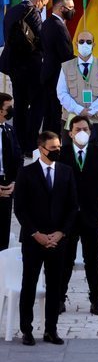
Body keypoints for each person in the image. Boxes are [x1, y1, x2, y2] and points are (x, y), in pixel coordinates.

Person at [13, 131, 78, 345]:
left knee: (55, 286)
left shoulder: (66, 172)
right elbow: (20, 208)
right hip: (34, 240)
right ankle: (27, 329)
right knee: (29, 284)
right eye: (53, 148)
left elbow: (72, 207)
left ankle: (51, 329)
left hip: (58, 240)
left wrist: (60, 233)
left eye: (59, 147)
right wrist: (36, 234)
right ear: (41, 149)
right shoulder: (26, 173)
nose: (57, 151)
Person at [58, 116, 98, 316]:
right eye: (77, 129)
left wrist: (94, 198)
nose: (81, 132)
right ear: (70, 133)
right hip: (67, 216)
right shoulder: (61, 155)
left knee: (92, 258)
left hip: (92, 214)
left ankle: (96, 299)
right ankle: (59, 298)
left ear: (90, 133)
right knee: (66, 258)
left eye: (85, 129)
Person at [0, 0, 48, 153]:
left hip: (13, 66)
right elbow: (42, 38)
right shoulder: (33, 12)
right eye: (44, 4)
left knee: (19, 104)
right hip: (31, 67)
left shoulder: (12, 11)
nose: (43, 8)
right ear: (39, 0)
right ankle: (30, 143)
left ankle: (18, 142)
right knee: (38, 103)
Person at [55, 30, 98, 149]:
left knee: (95, 155)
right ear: (76, 44)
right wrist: (79, 110)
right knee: (69, 155)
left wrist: (90, 111)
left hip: (96, 120)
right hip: (72, 118)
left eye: (88, 42)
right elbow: (61, 93)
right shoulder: (66, 67)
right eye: (81, 41)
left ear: (93, 44)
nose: (85, 44)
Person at [36, 0, 76, 134]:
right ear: (61, 8)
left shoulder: (47, 23)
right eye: (70, 7)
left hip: (48, 74)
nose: (73, 10)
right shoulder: (58, 27)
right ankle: (54, 143)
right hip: (56, 77)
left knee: (49, 113)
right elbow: (66, 55)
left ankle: (47, 141)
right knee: (55, 115)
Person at [0, 92, 21, 251]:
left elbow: (18, 158)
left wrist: (14, 181)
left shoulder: (9, 130)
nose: (12, 110)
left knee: (3, 226)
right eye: (9, 107)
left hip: (7, 184)